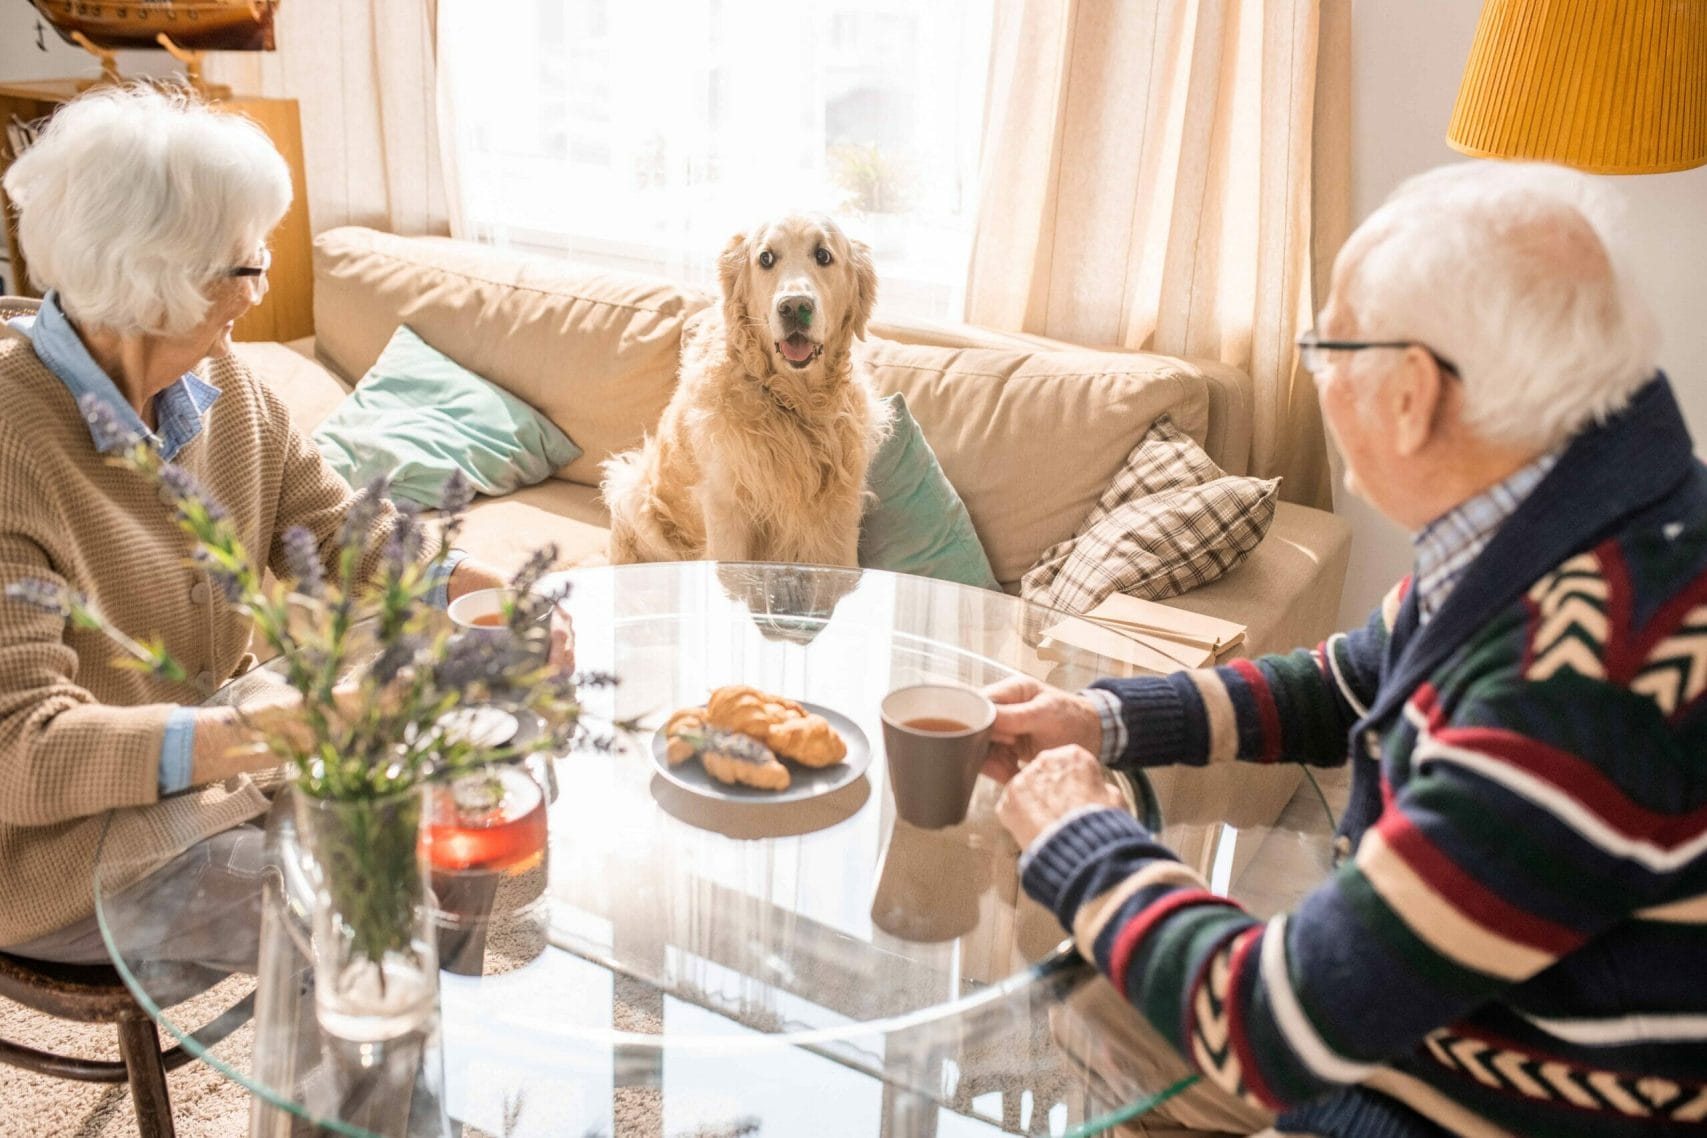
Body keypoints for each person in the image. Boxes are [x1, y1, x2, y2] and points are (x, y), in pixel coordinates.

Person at [984, 161, 1707, 1138]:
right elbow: (1354, 672)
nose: (1320, 374)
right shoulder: (1576, 510)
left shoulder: (1569, 686)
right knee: (1091, 1007)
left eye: (1328, 345)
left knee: (1105, 976)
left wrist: (1077, 831)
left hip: (1474, 1104)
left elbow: (1274, 1024)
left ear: (1412, 393)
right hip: (1437, 1027)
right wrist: (1104, 720)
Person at [0, 85, 568, 970]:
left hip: (219, 766)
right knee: (382, 905)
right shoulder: (11, 449)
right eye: (245, 265)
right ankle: (373, 1087)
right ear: (157, 280)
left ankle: (393, 1069)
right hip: (63, 856)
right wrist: (299, 726)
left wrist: (486, 590)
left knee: (459, 813)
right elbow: (21, 754)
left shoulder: (219, 383)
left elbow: (341, 529)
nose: (257, 290)